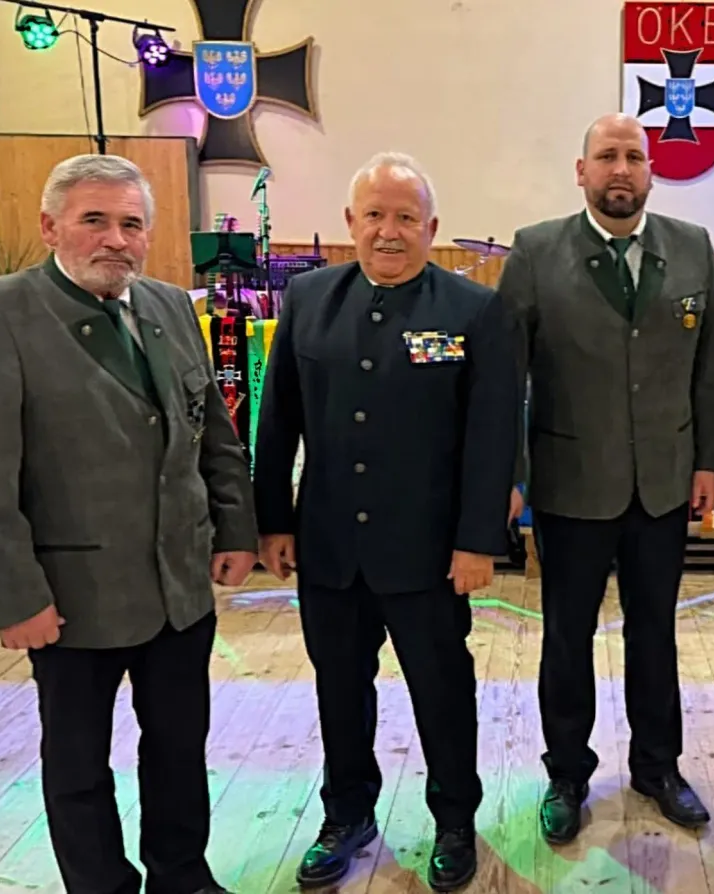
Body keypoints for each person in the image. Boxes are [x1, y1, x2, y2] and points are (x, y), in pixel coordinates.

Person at [0, 153, 258, 894]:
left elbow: (213, 434)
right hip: (68, 600)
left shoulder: (172, 306)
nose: (116, 239)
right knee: (78, 765)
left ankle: (182, 875)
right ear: (50, 227)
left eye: (132, 224)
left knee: (179, 750)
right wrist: (13, 598)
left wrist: (234, 529)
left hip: (179, 590)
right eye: (95, 221)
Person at [253, 152, 516, 892]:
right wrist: (274, 520)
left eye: (406, 217)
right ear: (350, 223)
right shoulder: (307, 299)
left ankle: (455, 819)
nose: (389, 231)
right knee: (339, 687)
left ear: (432, 229)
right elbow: (279, 423)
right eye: (375, 214)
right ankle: (347, 815)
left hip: (429, 553)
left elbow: (493, 437)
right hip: (331, 546)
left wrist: (475, 542)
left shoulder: (473, 310)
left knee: (442, 688)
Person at [497, 112, 714, 844]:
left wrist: (710, 461)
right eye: (607, 156)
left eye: (634, 156)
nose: (621, 169)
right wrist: (511, 476)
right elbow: (506, 378)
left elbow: (711, 369)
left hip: (663, 483)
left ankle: (658, 767)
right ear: (582, 170)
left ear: (651, 171)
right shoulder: (536, 251)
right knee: (567, 637)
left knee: (654, 634)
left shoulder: (691, 248)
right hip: (571, 483)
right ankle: (566, 774)